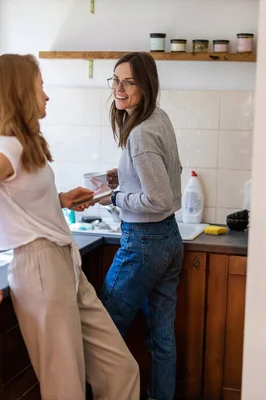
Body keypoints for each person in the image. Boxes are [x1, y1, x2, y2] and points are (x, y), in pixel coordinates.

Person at [0, 53, 140, 400]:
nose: (46, 96)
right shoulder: (4, 150)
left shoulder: (24, 145)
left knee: (122, 370)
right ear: (20, 94)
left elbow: (22, 199)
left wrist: (61, 199)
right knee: (66, 390)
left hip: (64, 264)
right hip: (40, 269)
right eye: (40, 87)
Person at [93, 52, 184, 400]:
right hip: (169, 240)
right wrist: (125, 176)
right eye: (115, 80)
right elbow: (160, 175)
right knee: (162, 339)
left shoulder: (140, 134)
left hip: (144, 243)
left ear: (146, 86)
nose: (119, 88)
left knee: (102, 327)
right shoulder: (158, 118)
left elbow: (157, 200)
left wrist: (115, 198)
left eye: (128, 81)